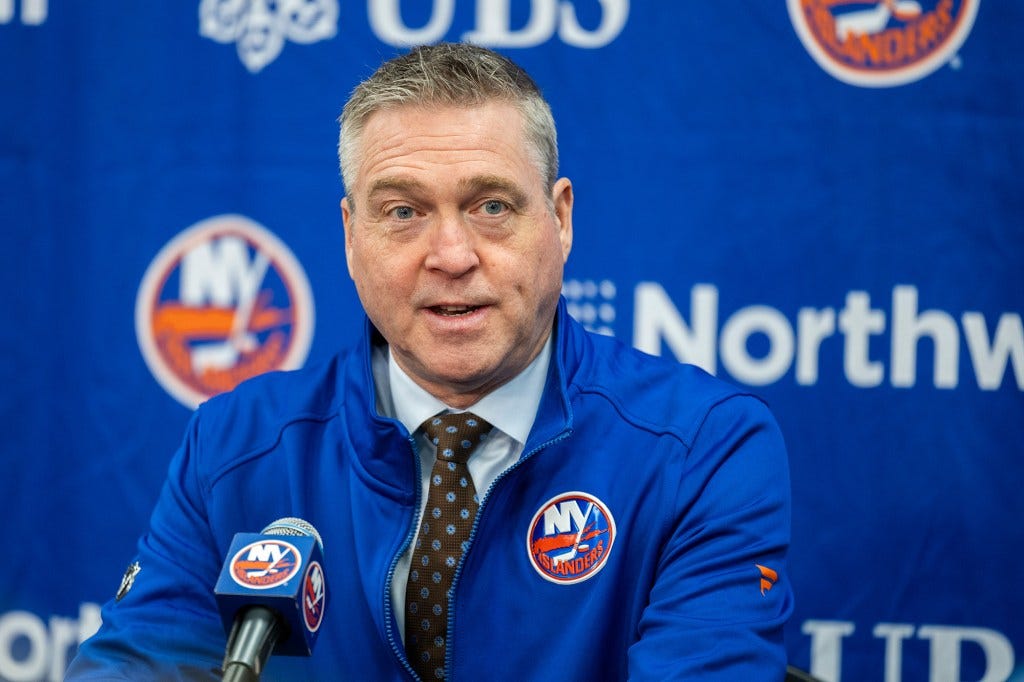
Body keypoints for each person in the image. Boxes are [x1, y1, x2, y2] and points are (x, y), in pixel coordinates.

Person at [67, 42, 793, 680]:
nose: (451, 256)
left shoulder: (705, 452)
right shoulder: (234, 446)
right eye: (404, 212)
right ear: (353, 238)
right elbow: (138, 664)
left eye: (492, 207)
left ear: (561, 220)